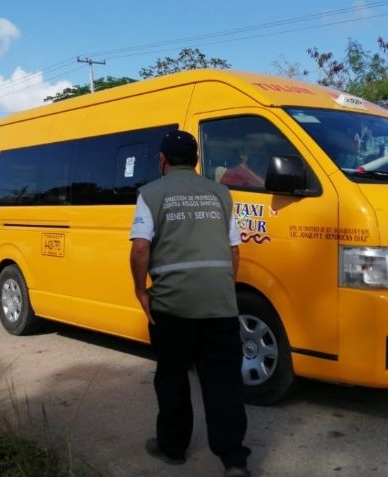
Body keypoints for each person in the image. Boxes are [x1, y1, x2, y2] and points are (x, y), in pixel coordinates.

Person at [129, 131, 252, 477]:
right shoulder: (221, 193)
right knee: (224, 382)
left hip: (171, 306)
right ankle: (234, 461)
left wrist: (142, 291)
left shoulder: (150, 194)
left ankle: (173, 448)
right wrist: (224, 287)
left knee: (172, 377)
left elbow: (140, 248)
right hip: (219, 304)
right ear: (196, 161)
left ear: (162, 160)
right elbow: (234, 250)